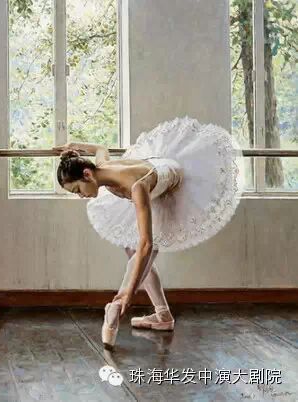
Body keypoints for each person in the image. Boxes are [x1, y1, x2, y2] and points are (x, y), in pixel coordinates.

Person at [54, 116, 244, 348]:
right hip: (151, 166)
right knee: (129, 247)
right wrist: (74, 145)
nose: (80, 196)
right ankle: (163, 315)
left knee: (144, 251)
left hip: (169, 179)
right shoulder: (100, 167)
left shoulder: (136, 187)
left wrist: (128, 294)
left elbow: (147, 244)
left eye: (77, 190)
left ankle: (116, 305)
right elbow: (101, 149)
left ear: (87, 175)